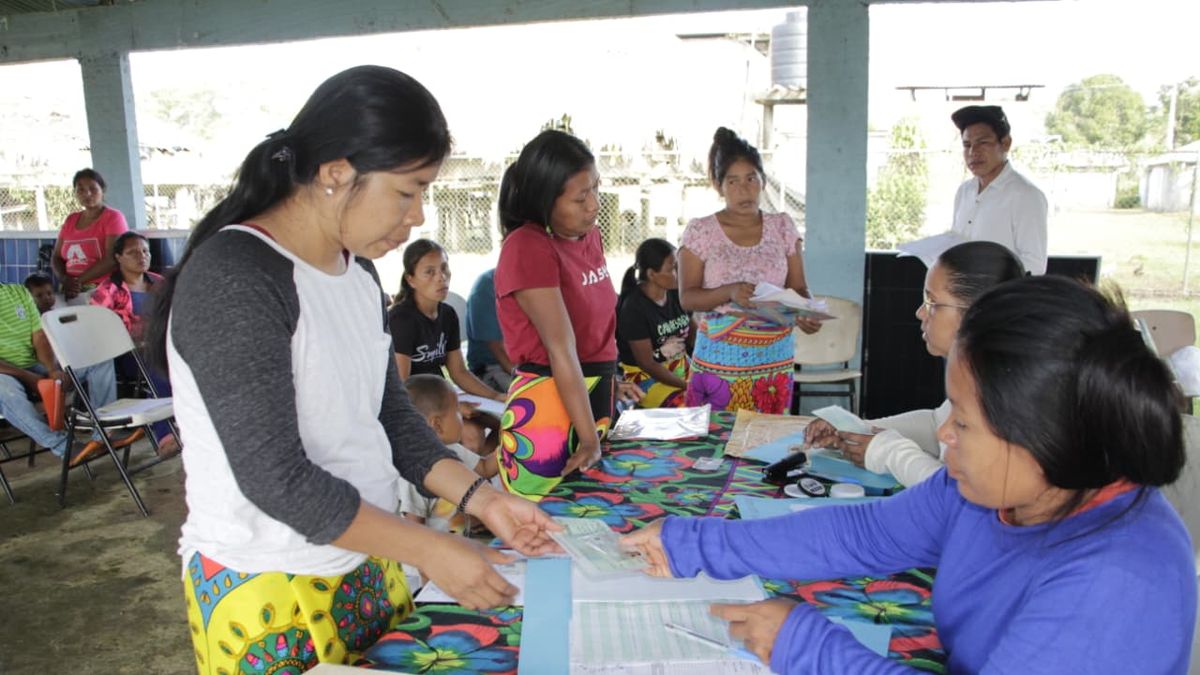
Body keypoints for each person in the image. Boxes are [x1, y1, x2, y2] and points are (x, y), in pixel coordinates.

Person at [142, 66, 559, 674]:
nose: (417, 216)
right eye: (407, 191)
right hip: (268, 587)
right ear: (337, 173)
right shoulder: (238, 277)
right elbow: (275, 479)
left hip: (366, 559)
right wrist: (433, 548)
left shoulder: (356, 272)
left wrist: (484, 499)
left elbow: (388, 413)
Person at [624, 275, 1195, 673]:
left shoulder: (1117, 584)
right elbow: (865, 534)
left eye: (964, 424)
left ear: (1044, 438)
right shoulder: (996, 488)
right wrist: (693, 542)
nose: (944, 436)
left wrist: (805, 647)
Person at [803, 241, 1025, 486]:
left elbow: (962, 492)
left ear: (977, 313)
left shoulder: (1006, 395)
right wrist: (859, 429)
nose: (920, 312)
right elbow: (935, 424)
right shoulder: (977, 372)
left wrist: (890, 452)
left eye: (932, 303)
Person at [494, 129, 639, 501]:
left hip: (593, 402)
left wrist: (613, 380)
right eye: (580, 197)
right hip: (548, 411)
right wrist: (588, 439)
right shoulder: (527, 247)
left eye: (595, 188)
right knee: (547, 533)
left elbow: (598, 326)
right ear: (546, 201)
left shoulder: (588, 234)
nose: (593, 205)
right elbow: (562, 349)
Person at [679, 127, 821, 414]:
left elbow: (799, 287)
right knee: (712, 442)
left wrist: (806, 310)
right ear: (719, 186)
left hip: (773, 358)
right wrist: (728, 292)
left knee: (766, 445)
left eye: (751, 179)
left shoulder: (782, 226)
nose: (744, 189)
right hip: (719, 358)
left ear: (763, 181)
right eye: (733, 181)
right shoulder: (701, 231)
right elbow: (687, 298)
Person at [389, 238, 505, 455]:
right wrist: (451, 409)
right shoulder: (401, 319)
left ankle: (481, 481)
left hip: (441, 394)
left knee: (508, 426)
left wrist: (496, 396)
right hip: (419, 404)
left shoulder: (447, 314)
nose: (441, 277)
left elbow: (459, 372)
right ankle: (467, 485)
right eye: (429, 272)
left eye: (444, 269)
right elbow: (402, 385)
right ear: (410, 279)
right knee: (471, 436)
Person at [0, 283, 126, 465]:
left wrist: (52, 370)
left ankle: (104, 433)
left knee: (98, 360)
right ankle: (65, 447)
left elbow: (39, 336)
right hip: (5, 374)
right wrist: (28, 378)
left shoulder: (18, 291)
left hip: (35, 366)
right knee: (5, 391)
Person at [89, 230, 179, 460]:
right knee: (157, 371)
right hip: (126, 356)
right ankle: (165, 437)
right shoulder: (107, 291)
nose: (141, 256)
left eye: (145, 251)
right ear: (118, 257)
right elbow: (96, 332)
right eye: (132, 252)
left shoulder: (159, 284)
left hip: (160, 348)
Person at [949, 105, 1048, 275]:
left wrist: (987, 278)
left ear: (1006, 143)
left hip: (1000, 298)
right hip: (963, 297)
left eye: (983, 143)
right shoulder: (964, 191)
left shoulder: (1026, 195)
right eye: (967, 145)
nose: (973, 152)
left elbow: (1035, 265)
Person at [397, 374, 499, 533]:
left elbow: (486, 468)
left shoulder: (451, 448)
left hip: (460, 543)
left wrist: (512, 442)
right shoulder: (413, 473)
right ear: (437, 424)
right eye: (457, 412)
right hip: (437, 551)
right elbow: (414, 529)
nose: (462, 418)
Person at [617, 238, 692, 408]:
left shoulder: (676, 293)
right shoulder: (634, 307)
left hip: (680, 369)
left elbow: (693, 337)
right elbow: (647, 363)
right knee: (690, 404)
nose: (679, 272)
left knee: (721, 392)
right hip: (646, 379)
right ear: (651, 274)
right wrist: (689, 386)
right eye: (673, 268)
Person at [52, 168, 129, 304]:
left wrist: (77, 282)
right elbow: (56, 257)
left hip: (101, 289)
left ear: (102, 190)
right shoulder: (71, 220)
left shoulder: (113, 217)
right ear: (75, 193)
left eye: (93, 189)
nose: (87, 194)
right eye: (80, 190)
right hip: (69, 288)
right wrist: (64, 279)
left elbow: (112, 259)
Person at [466, 268, 515, 392]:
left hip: (528, 364)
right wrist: (529, 381)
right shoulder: (486, 287)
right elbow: (498, 351)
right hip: (494, 368)